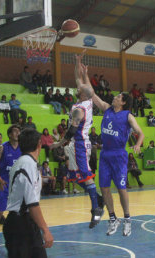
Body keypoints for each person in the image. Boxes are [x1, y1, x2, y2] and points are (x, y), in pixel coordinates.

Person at [76, 51, 144, 236]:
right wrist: (85, 73)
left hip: (119, 155)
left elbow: (140, 133)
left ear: (122, 102)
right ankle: (113, 218)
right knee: (104, 188)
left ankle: (128, 218)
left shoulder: (127, 115)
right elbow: (91, 93)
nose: (114, 97)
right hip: (105, 154)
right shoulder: (106, 109)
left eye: (118, 96)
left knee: (121, 188)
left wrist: (137, 144)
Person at [50, 52, 104, 229]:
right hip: (77, 144)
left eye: (79, 88)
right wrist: (78, 61)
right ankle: (97, 198)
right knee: (75, 177)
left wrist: (59, 143)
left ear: (81, 94)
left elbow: (72, 129)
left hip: (79, 145)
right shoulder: (87, 100)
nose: (77, 86)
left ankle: (96, 209)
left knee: (86, 177)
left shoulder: (79, 110)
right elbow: (78, 79)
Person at [3, 128, 53, 257]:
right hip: (20, 225)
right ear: (39, 145)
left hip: (26, 223)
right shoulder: (27, 164)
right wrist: (45, 230)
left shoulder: (28, 163)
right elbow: (32, 204)